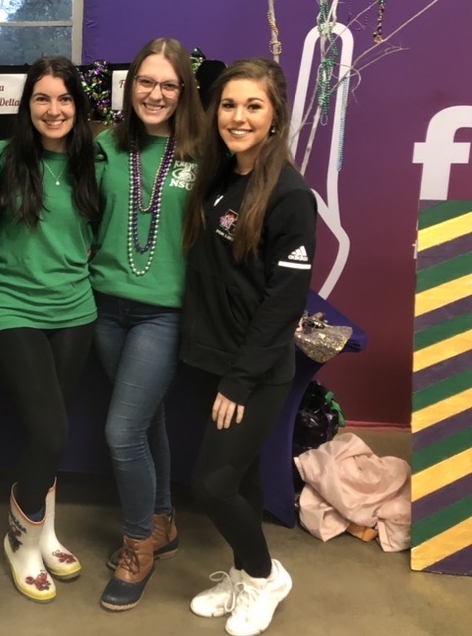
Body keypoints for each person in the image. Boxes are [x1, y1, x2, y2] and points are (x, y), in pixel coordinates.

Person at [180, 58, 316, 636]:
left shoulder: (289, 194)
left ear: (275, 115)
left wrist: (239, 379)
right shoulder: (219, 176)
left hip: (253, 371)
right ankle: (242, 570)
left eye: (252, 106)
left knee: (211, 483)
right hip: (209, 358)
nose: (237, 117)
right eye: (229, 105)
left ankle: (264, 577)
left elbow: (283, 304)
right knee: (239, 478)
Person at [91, 37, 205, 611]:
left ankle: (138, 545)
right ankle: (163, 520)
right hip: (106, 307)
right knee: (147, 418)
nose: (155, 94)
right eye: (145, 83)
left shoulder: (204, 153)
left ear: (183, 92)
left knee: (121, 431)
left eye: (167, 85)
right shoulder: (106, 146)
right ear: (129, 86)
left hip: (164, 312)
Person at [0, 57, 100, 602]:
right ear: (25, 105)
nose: (53, 110)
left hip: (75, 311)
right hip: (11, 308)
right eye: (41, 99)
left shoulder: (93, 161)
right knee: (52, 432)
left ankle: (46, 531)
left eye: (64, 99)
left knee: (46, 438)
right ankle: (20, 543)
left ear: (77, 106)